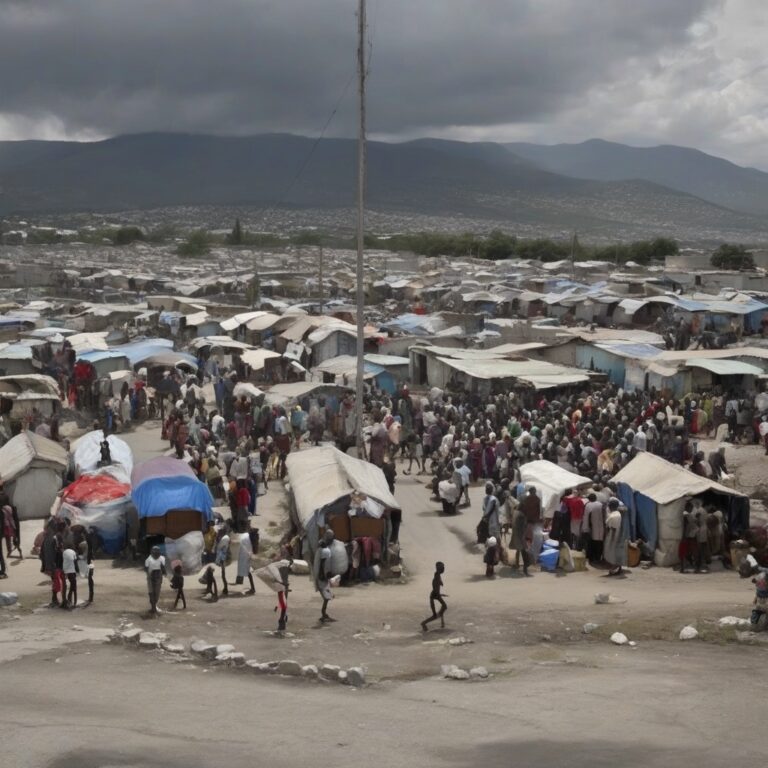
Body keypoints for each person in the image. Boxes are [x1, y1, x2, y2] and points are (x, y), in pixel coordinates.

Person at [421, 561, 447, 631]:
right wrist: (439, 595)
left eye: (443, 567)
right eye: (442, 567)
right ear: (438, 568)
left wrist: (440, 594)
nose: (443, 569)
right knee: (436, 614)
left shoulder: (438, 575)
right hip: (434, 596)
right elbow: (435, 587)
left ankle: (442, 622)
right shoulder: (437, 576)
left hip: (436, 595)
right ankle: (423, 623)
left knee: (444, 607)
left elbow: (436, 587)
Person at [317, 530, 336, 623]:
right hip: (323, 576)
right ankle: (324, 614)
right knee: (327, 596)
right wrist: (324, 575)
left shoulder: (323, 547)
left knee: (327, 596)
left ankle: (324, 614)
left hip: (323, 575)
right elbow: (323, 564)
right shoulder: (326, 551)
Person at [144, 545, 167, 615]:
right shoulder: (148, 560)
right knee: (151, 592)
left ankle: (154, 606)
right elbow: (146, 569)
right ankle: (153, 607)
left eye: (157, 552)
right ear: (152, 552)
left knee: (157, 592)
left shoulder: (162, 558)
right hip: (150, 576)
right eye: (154, 552)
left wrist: (165, 573)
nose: (156, 553)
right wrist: (149, 576)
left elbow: (163, 567)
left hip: (158, 577)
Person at [215, 526, 231, 596]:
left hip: (222, 558)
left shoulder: (225, 538)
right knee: (223, 574)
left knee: (223, 574)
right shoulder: (225, 538)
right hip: (223, 557)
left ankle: (226, 588)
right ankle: (225, 588)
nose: (218, 533)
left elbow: (219, 547)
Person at [62, 543, 78, 609]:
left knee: (69, 585)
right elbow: (75, 560)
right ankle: (73, 601)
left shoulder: (64, 552)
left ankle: (69, 599)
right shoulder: (73, 552)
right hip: (72, 570)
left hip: (65, 570)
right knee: (74, 586)